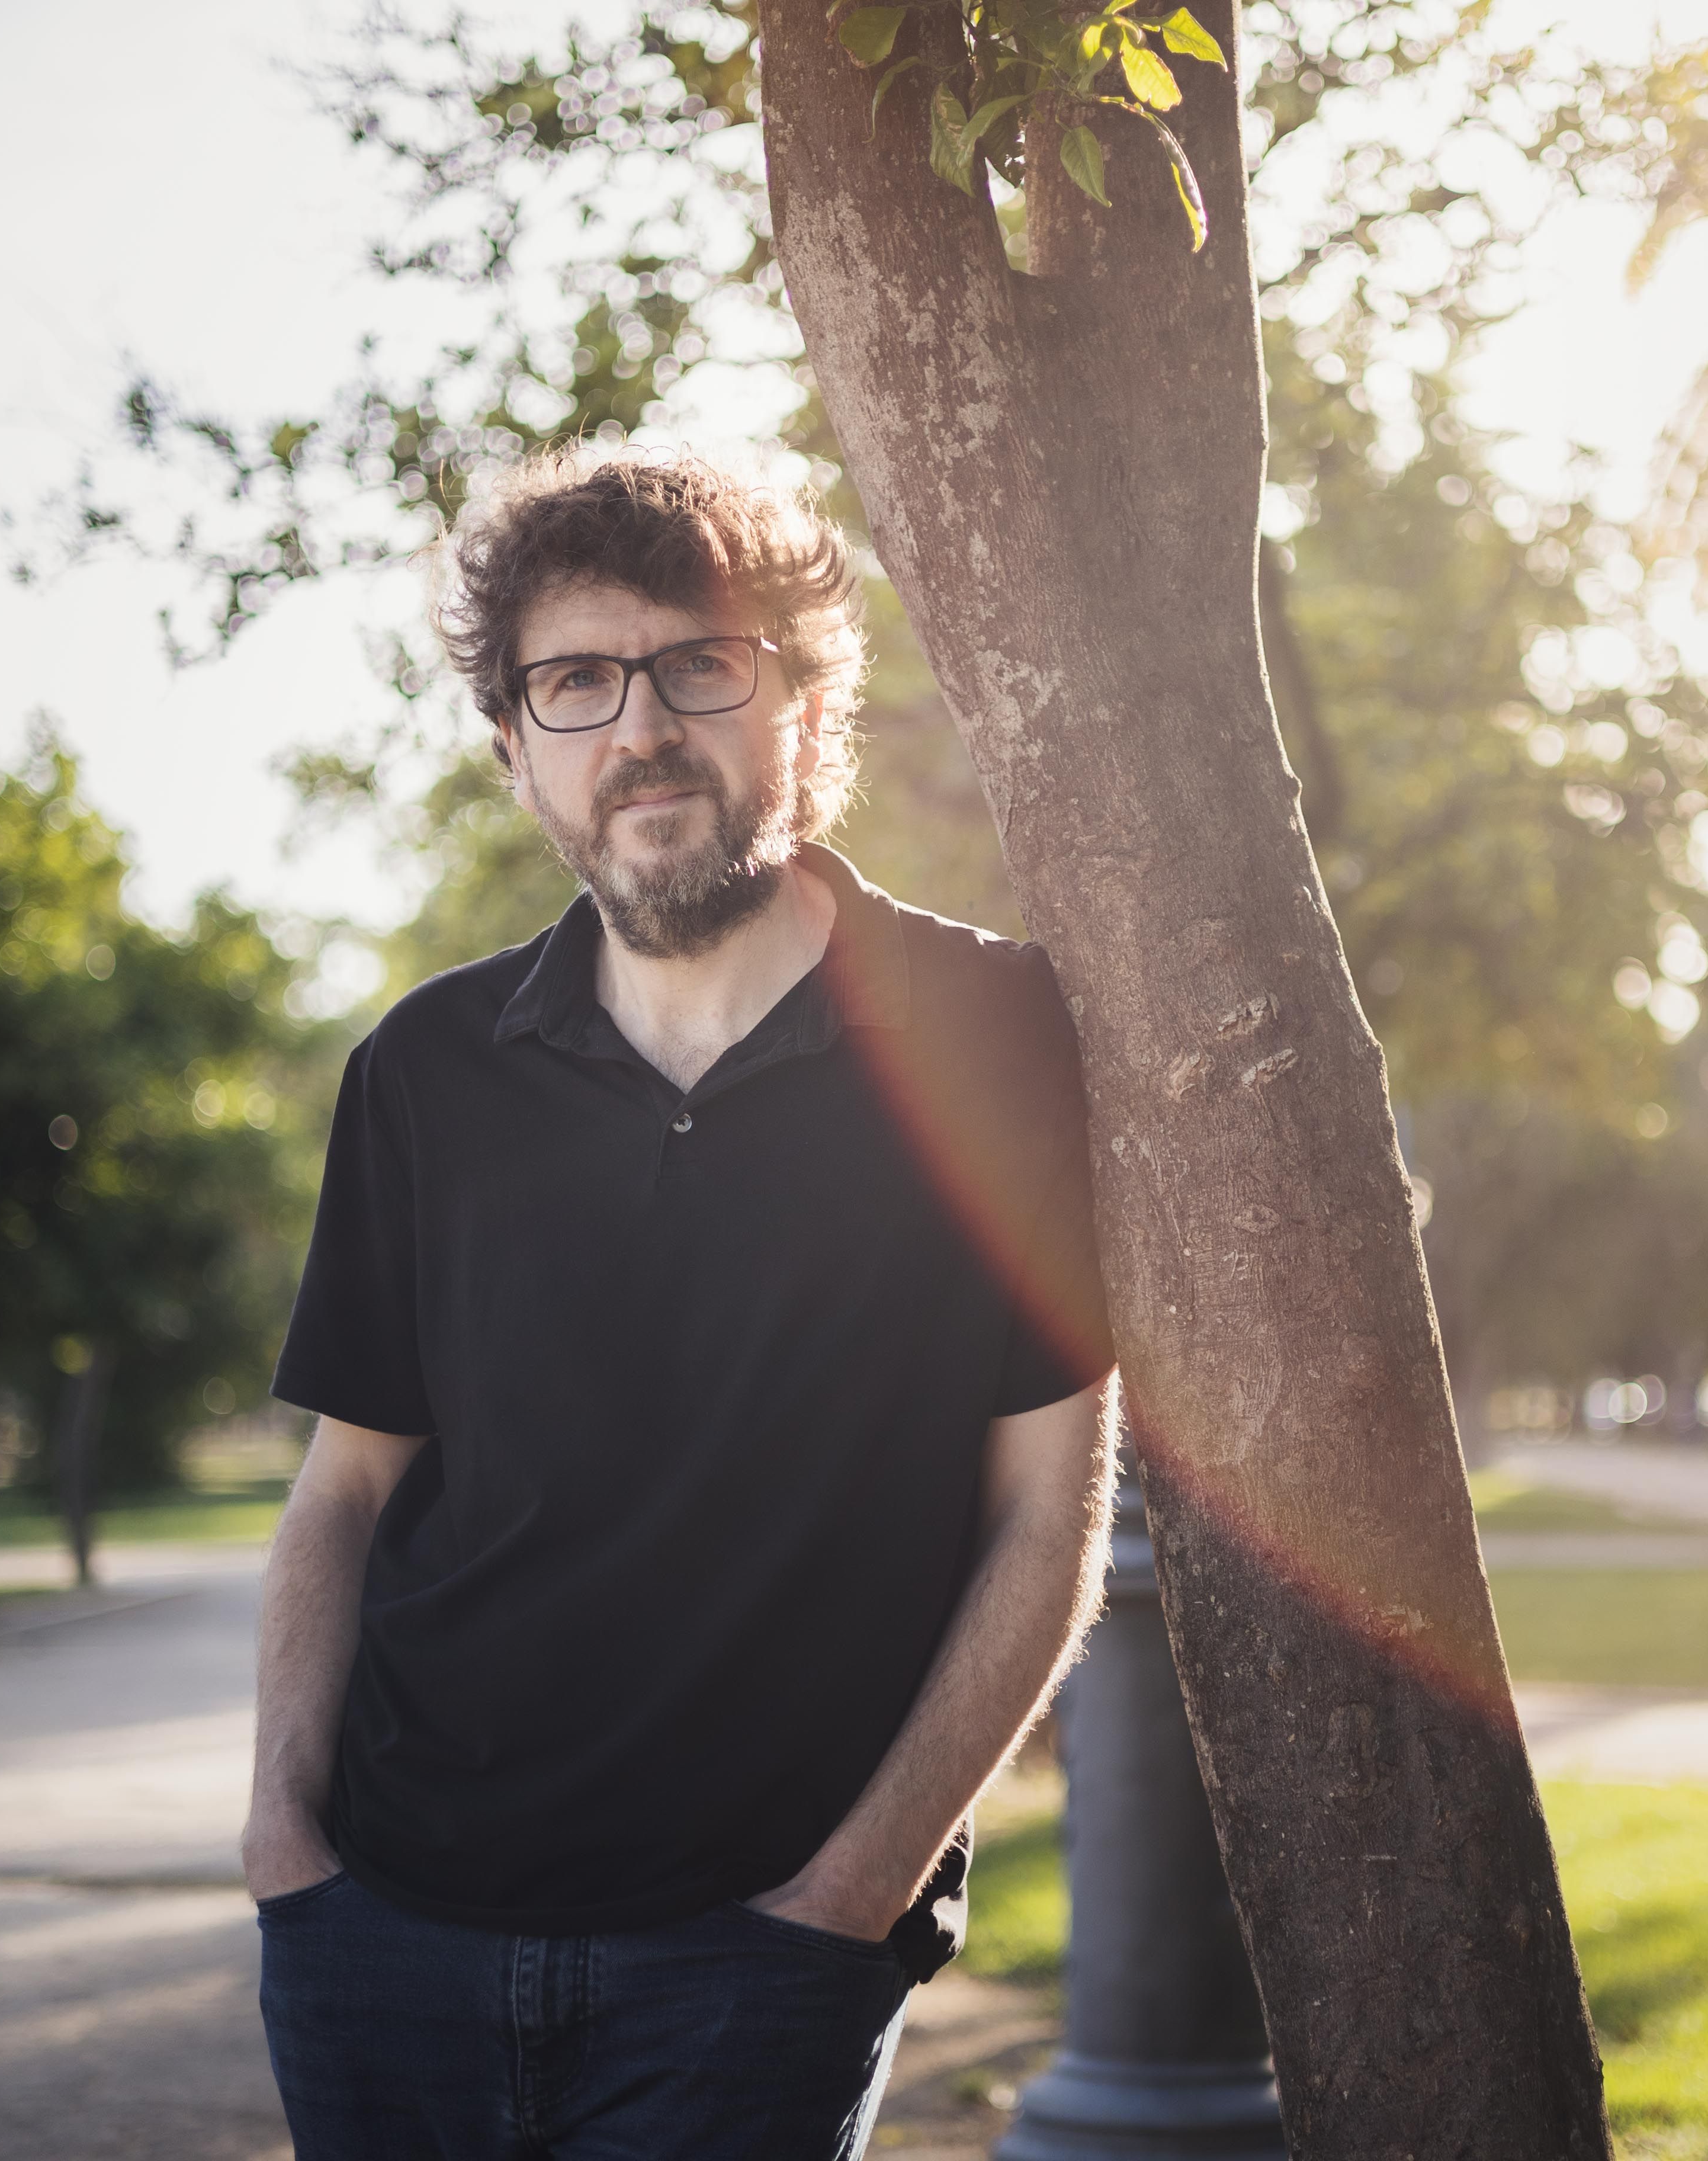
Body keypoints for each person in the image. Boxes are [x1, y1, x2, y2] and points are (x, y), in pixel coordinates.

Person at [246, 448, 1118, 2158]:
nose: (639, 726)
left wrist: (849, 1897)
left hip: (759, 1958)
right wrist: (287, 1846)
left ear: (804, 702)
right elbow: (347, 1490)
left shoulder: (995, 1035)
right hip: (386, 1943)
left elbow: (1049, 1514)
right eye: (574, 682)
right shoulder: (424, 1069)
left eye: (699, 664)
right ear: (517, 750)